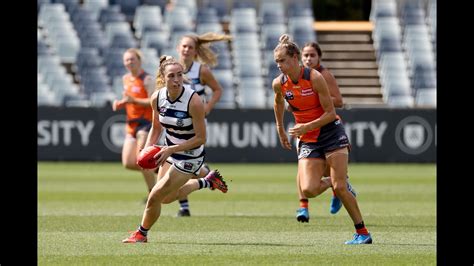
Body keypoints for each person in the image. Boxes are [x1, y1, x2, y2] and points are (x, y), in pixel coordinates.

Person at [272, 34, 372, 244]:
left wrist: (306, 126)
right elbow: (278, 103)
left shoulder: (315, 77)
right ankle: (335, 181)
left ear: (295, 58)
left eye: (283, 60)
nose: (279, 65)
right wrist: (280, 128)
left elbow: (330, 112)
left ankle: (362, 233)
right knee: (308, 189)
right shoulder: (279, 83)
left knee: (341, 188)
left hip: (331, 133)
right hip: (309, 138)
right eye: (277, 62)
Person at [122, 55, 228, 243]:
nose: (177, 79)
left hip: (190, 156)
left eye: (180, 75)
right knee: (166, 198)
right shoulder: (157, 97)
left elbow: (201, 138)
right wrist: (146, 151)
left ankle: (141, 233)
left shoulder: (194, 101)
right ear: (163, 78)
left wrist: (171, 150)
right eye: (172, 76)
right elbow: (156, 128)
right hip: (170, 151)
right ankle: (207, 181)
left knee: (155, 195)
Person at [295, 42, 357, 223]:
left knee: (329, 169)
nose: (308, 59)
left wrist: (314, 97)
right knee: (302, 168)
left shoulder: (324, 75)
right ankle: (303, 207)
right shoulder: (296, 77)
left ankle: (338, 188)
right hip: (305, 130)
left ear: (319, 57)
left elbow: (338, 101)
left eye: (312, 55)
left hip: (326, 129)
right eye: (305, 55)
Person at [174, 32, 232, 217]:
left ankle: (189, 199)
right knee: (177, 164)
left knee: (182, 164)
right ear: (178, 48)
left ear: (195, 50)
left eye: (190, 47)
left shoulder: (201, 71)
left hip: (195, 125)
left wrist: (207, 107)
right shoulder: (172, 69)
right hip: (175, 123)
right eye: (184, 46)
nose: (186, 50)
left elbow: (217, 90)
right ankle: (207, 176)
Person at [112, 48, 157, 200]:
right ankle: (158, 170)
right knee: (128, 163)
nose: (129, 62)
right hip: (131, 124)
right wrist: (120, 103)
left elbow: (152, 102)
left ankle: (153, 193)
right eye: (127, 60)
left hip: (145, 124)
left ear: (139, 61)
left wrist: (133, 101)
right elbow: (129, 99)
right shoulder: (125, 79)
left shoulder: (147, 79)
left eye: (132, 59)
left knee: (142, 160)